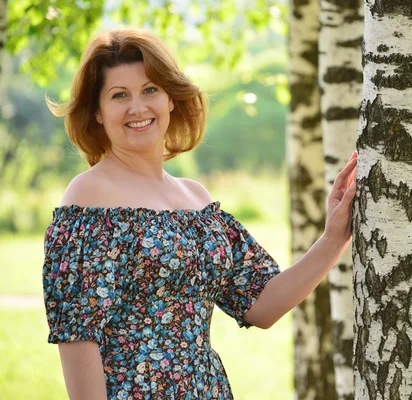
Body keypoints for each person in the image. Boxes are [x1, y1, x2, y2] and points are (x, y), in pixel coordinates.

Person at [42, 28, 357, 400]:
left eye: (150, 90)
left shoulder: (196, 199)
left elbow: (261, 304)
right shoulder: (88, 197)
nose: (137, 107)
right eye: (119, 95)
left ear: (170, 99)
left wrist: (334, 237)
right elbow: (79, 338)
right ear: (97, 111)